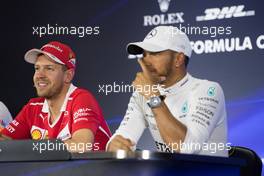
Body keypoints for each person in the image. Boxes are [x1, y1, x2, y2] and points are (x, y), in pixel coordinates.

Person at [107, 26, 228, 156]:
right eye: (144, 54)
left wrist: (152, 96)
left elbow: (186, 148)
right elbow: (122, 138)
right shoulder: (142, 94)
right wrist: (113, 145)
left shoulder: (208, 90)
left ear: (178, 59)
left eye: (154, 53)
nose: (145, 60)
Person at [0, 41, 112, 152]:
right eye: (37, 68)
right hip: (61, 170)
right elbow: (4, 143)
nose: (39, 75)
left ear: (68, 76)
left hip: (96, 169)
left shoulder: (82, 98)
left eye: (49, 68)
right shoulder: (33, 107)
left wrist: (35, 147)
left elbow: (81, 146)